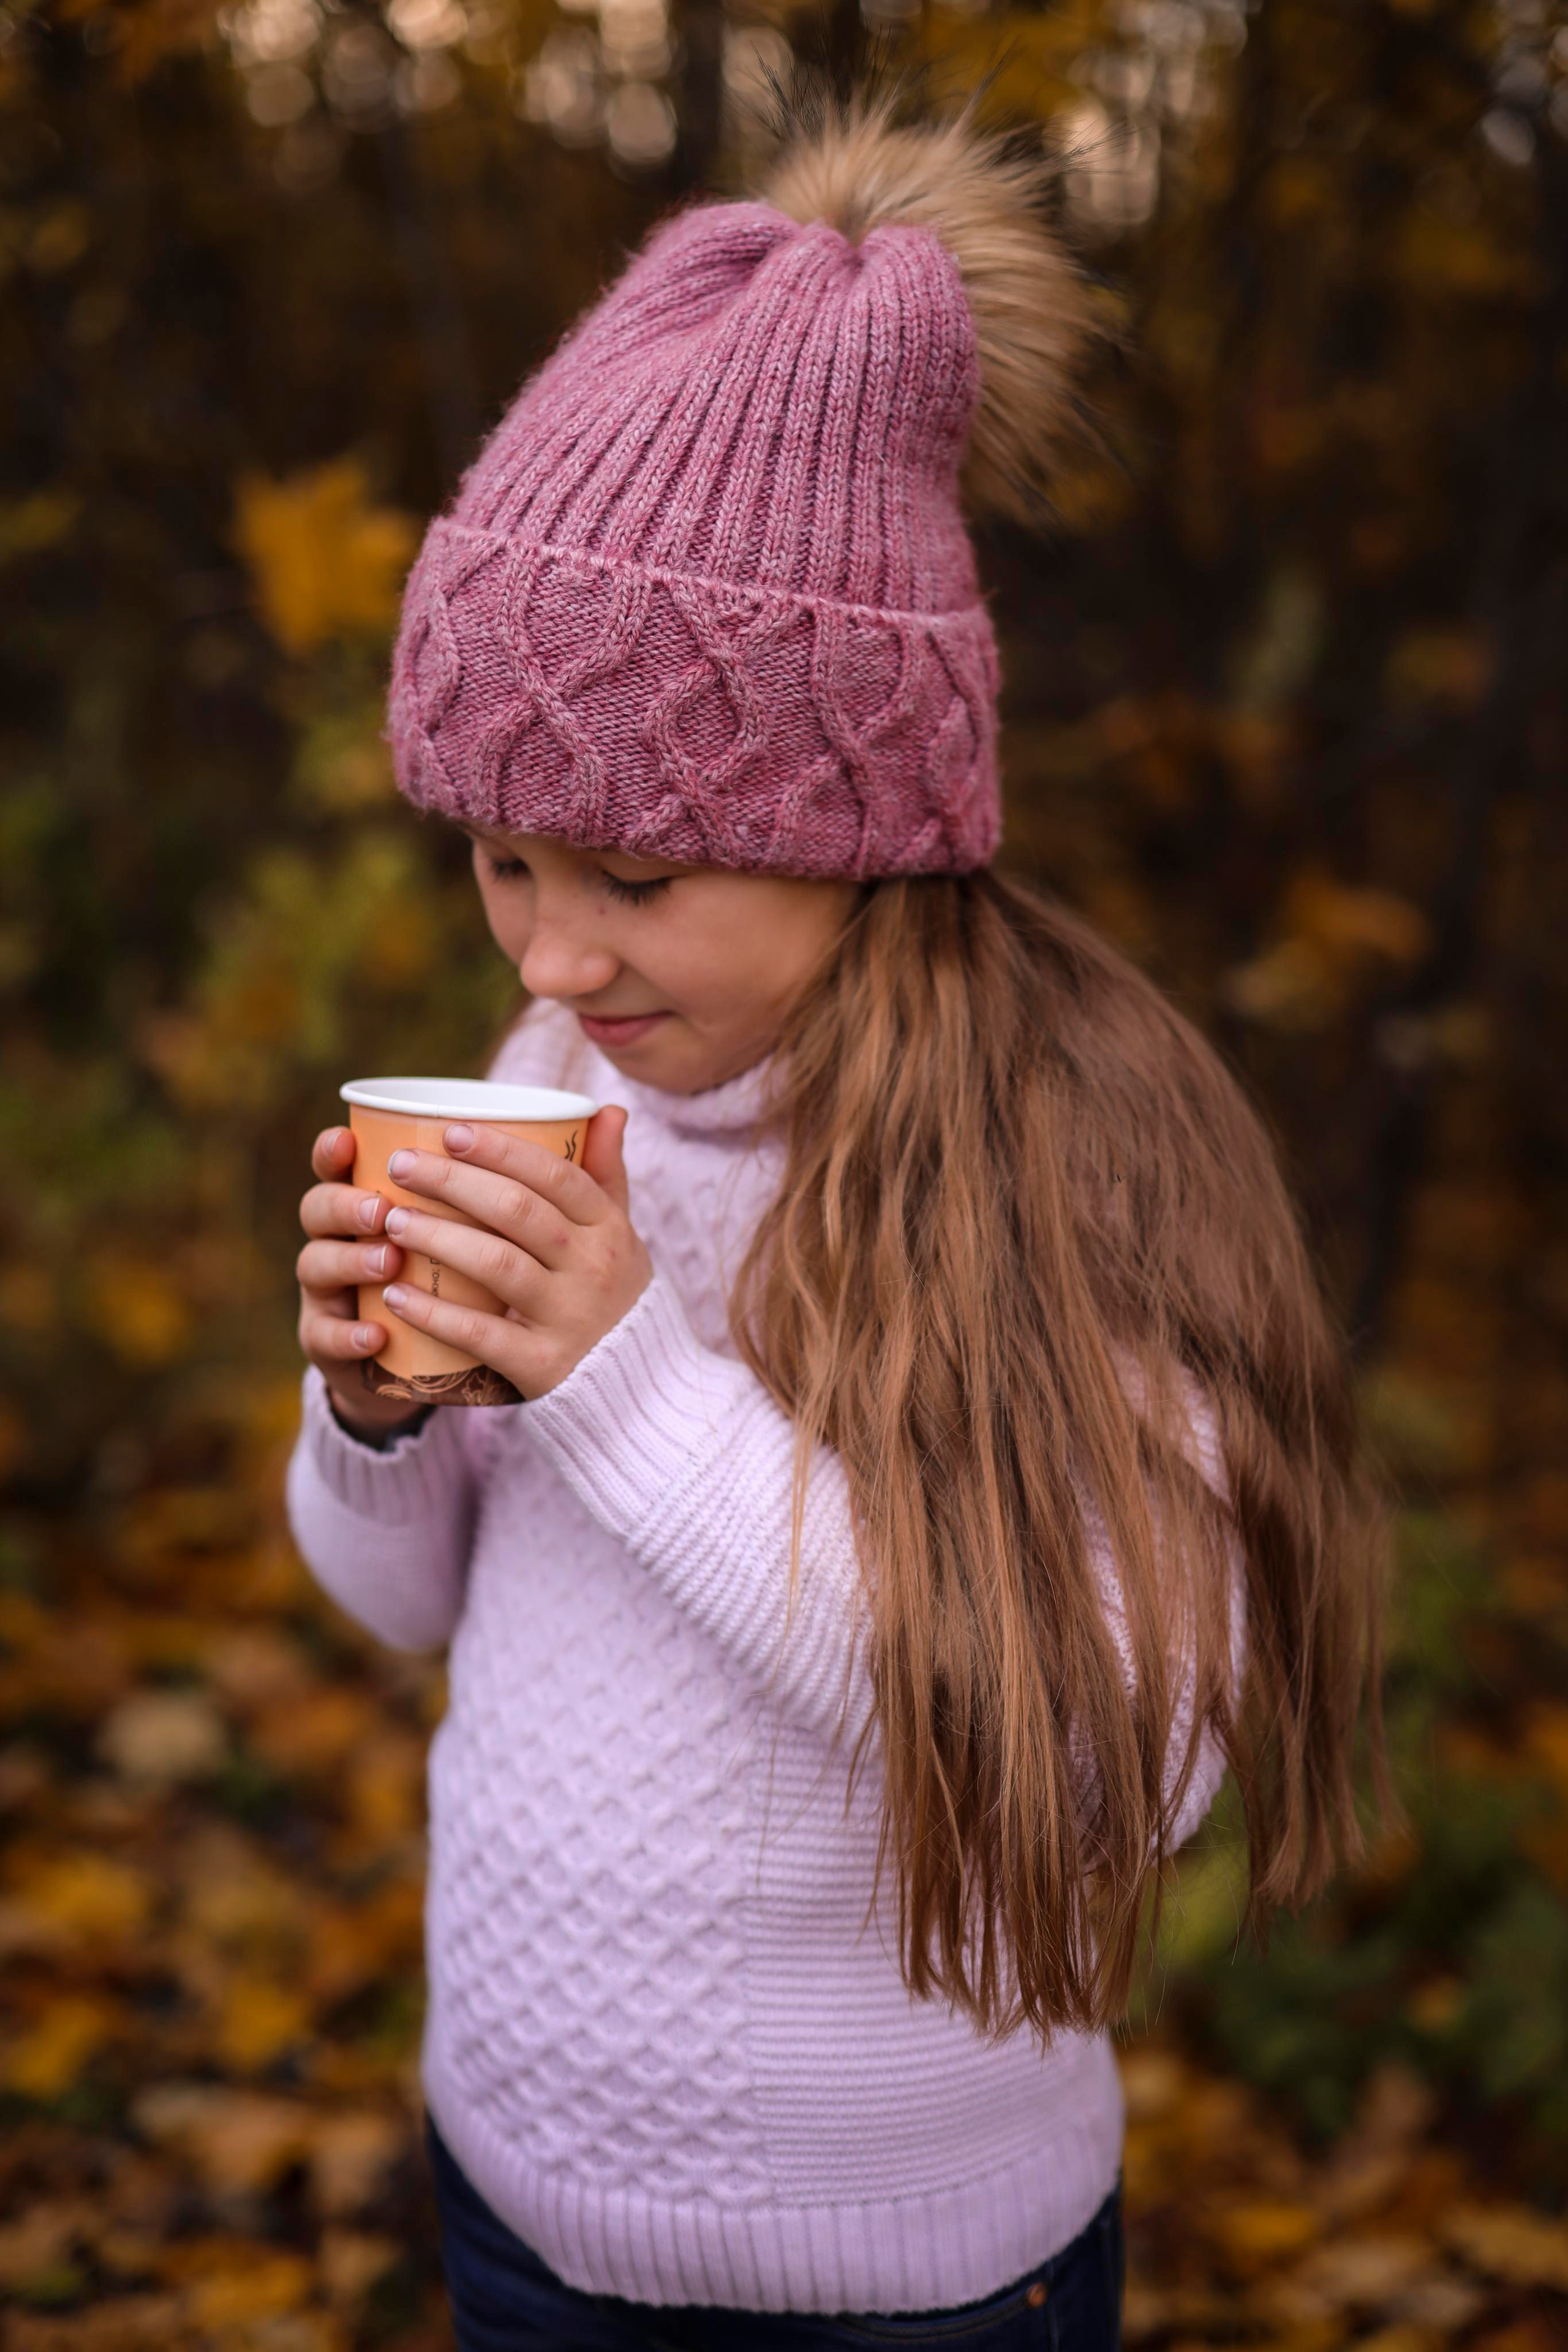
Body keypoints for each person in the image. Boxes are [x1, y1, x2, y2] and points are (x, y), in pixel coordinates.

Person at [284, 78, 1390, 2352]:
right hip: (516, 2211)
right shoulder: (554, 1075)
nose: (549, 954)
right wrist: (373, 1417)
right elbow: (397, 1608)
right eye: (501, 856)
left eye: (635, 875)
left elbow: (1116, 1757)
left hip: (908, 2281)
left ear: (861, 823)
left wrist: (624, 1379)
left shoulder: (1065, 1158)